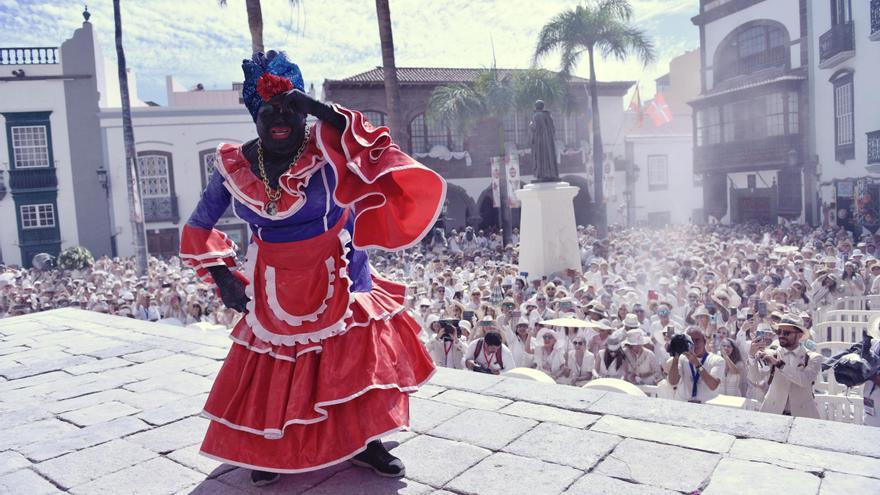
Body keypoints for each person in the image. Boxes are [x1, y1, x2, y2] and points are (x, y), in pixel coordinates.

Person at [179, 51, 444, 484]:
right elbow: (198, 225)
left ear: (302, 111)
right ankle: (268, 450)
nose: (279, 118)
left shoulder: (326, 145)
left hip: (343, 267)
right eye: (269, 110)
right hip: (274, 278)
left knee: (355, 358)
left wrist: (319, 109)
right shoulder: (234, 166)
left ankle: (367, 442)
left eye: (289, 108)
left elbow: (375, 144)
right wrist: (223, 276)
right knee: (276, 368)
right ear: (254, 114)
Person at [747, 314, 822, 418]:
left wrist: (779, 364)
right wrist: (751, 356)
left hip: (803, 416)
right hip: (773, 413)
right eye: (779, 332)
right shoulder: (772, 353)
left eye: (786, 333)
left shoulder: (813, 357)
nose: (781, 335)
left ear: (800, 335)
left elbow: (804, 381)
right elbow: (755, 378)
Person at [667, 327, 724, 403]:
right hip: (683, 403)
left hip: (706, 405)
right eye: (690, 341)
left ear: (704, 341)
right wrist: (676, 356)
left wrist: (697, 364)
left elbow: (713, 385)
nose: (693, 344)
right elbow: (673, 382)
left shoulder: (717, 360)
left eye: (697, 340)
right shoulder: (682, 359)